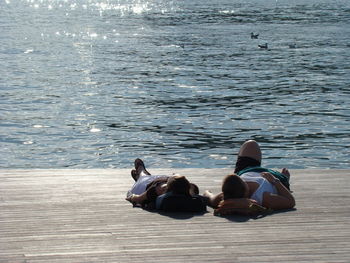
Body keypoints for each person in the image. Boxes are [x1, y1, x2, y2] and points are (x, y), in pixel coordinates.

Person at [204, 140, 295, 211]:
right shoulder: (263, 197)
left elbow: (209, 197)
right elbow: (291, 202)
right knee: (283, 179)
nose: (248, 182)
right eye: (245, 183)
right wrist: (276, 181)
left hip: (246, 170)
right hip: (273, 177)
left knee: (251, 144)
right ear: (246, 191)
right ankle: (285, 179)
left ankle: (239, 175)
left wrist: (207, 192)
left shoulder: (227, 195)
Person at [126, 158, 199, 208]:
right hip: (161, 179)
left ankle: (140, 170)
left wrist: (131, 197)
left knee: (143, 176)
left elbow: (138, 199)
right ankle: (140, 173)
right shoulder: (188, 189)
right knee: (147, 177)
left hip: (146, 183)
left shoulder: (157, 189)